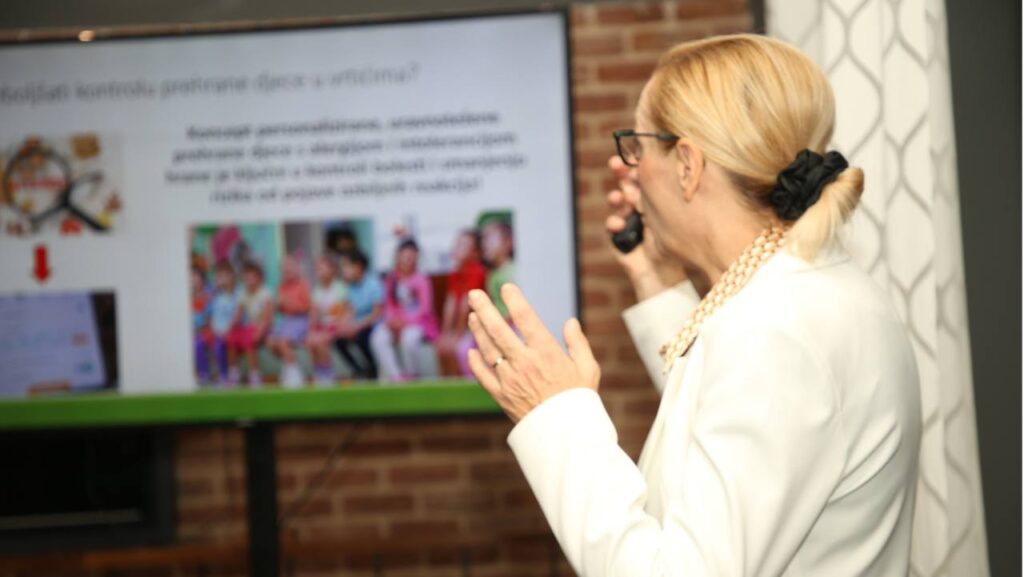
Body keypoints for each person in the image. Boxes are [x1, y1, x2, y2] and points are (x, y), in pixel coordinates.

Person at [464, 34, 921, 577]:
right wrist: (653, 276)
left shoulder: (775, 331)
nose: (629, 169)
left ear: (686, 164)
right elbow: (730, 432)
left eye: (637, 147)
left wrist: (556, 415)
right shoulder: (801, 290)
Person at [370, 239, 439, 382]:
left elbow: (425, 309)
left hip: (418, 323)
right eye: (405, 256)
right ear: (397, 257)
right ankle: (396, 377)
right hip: (395, 324)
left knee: (409, 339)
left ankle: (412, 375)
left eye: (412, 257)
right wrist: (392, 321)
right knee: (378, 338)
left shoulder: (422, 280)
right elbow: (388, 305)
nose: (408, 260)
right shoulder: (391, 279)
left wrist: (405, 322)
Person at [436, 229, 487, 376]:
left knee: (458, 348)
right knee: (441, 347)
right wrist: (446, 333)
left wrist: (456, 336)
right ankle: (449, 383)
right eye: (457, 243)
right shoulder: (455, 272)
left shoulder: (477, 271)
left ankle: (464, 380)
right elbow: (450, 304)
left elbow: (466, 306)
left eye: (463, 245)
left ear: (475, 253)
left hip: (475, 325)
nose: (457, 247)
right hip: (462, 326)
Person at [333, 250, 383, 380]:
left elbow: (376, 314)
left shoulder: (373, 284)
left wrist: (356, 326)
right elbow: (350, 311)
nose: (343, 270)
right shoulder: (350, 287)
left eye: (346, 266)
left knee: (362, 337)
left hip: (373, 324)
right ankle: (358, 369)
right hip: (357, 324)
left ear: (358, 266)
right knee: (338, 340)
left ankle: (373, 369)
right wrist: (343, 325)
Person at [267, 254, 313, 389]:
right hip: (287, 321)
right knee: (270, 342)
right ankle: (289, 365)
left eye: (290, 266)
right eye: (284, 268)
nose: (287, 270)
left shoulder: (303, 284)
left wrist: (289, 303)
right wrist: (277, 306)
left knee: (283, 341)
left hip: (301, 320)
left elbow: (306, 307)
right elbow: (281, 309)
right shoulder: (281, 287)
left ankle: (296, 374)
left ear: (297, 268)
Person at [227, 261, 274, 387]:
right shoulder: (244, 293)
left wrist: (260, 332)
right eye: (246, 277)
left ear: (259, 278)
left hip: (264, 328)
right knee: (231, 339)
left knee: (248, 339)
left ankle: (255, 373)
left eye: (251, 277)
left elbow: (267, 318)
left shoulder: (265, 293)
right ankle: (233, 372)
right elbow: (238, 314)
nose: (248, 279)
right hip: (251, 327)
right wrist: (231, 327)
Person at [306, 253, 349, 385]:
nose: (319, 271)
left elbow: (342, 312)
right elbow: (313, 313)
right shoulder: (316, 290)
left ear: (332, 270)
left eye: (322, 268)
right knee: (310, 341)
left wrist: (332, 325)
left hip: (336, 324)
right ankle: (318, 373)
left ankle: (328, 374)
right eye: (317, 269)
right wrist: (312, 329)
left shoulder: (340, 287)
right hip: (323, 325)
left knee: (321, 341)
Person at [480, 218, 516, 319]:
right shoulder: (492, 274)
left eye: (489, 237)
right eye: (482, 239)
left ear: (508, 241)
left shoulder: (513, 272)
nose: (483, 243)